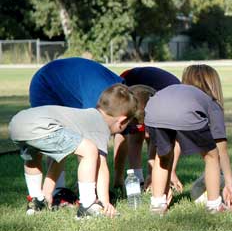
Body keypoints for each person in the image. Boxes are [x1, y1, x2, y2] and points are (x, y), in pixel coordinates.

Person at [9, 84, 137, 218]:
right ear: (122, 121)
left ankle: (36, 201)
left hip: (18, 123)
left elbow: (59, 157)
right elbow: (101, 167)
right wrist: (105, 202)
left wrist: (48, 191)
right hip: (41, 127)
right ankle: (88, 204)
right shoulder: (100, 125)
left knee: (33, 157)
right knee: (90, 150)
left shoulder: (83, 115)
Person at [145, 65, 232, 214]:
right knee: (212, 156)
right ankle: (214, 206)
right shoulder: (211, 103)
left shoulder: (178, 91)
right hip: (177, 111)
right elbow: (222, 150)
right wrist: (229, 183)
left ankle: (157, 204)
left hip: (153, 109)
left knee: (162, 156)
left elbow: (173, 145)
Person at [29, 57, 123, 191]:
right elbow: (92, 144)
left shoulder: (120, 95)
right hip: (46, 84)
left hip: (70, 86)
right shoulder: (100, 98)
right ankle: (56, 192)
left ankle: (80, 189)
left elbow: (121, 136)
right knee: (54, 141)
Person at [112, 67, 180, 193]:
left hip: (159, 90)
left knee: (156, 136)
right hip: (131, 80)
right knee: (132, 133)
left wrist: (171, 171)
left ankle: (153, 177)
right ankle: (129, 179)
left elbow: (173, 141)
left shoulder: (173, 106)